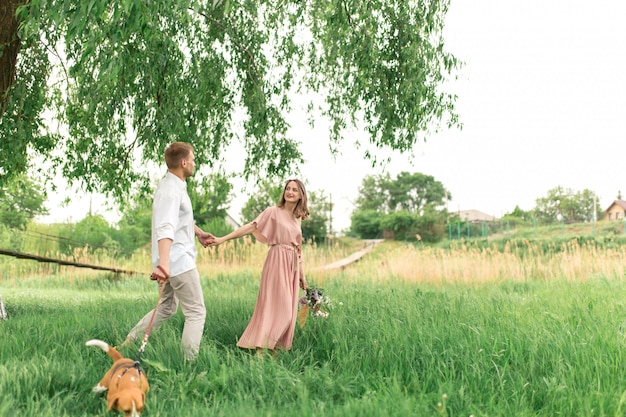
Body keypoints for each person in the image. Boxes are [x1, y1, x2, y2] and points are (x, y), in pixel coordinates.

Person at [124, 142, 213, 361]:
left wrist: (198, 232)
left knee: (166, 307)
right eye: (192, 159)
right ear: (183, 162)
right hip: (177, 261)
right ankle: (188, 363)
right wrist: (164, 263)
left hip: (171, 260)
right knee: (196, 312)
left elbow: (178, 221)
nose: (194, 163)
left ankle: (128, 343)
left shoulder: (175, 187)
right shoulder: (171, 190)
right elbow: (165, 226)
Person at [207, 179, 309, 353]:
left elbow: (298, 249)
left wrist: (302, 275)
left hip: (291, 266)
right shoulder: (273, 212)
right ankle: (261, 349)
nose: (290, 192)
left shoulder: (296, 218)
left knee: (288, 311)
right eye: (287, 188)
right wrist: (223, 239)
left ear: (301, 195)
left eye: (294, 190)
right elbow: (250, 227)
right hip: (277, 260)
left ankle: (272, 352)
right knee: (279, 308)